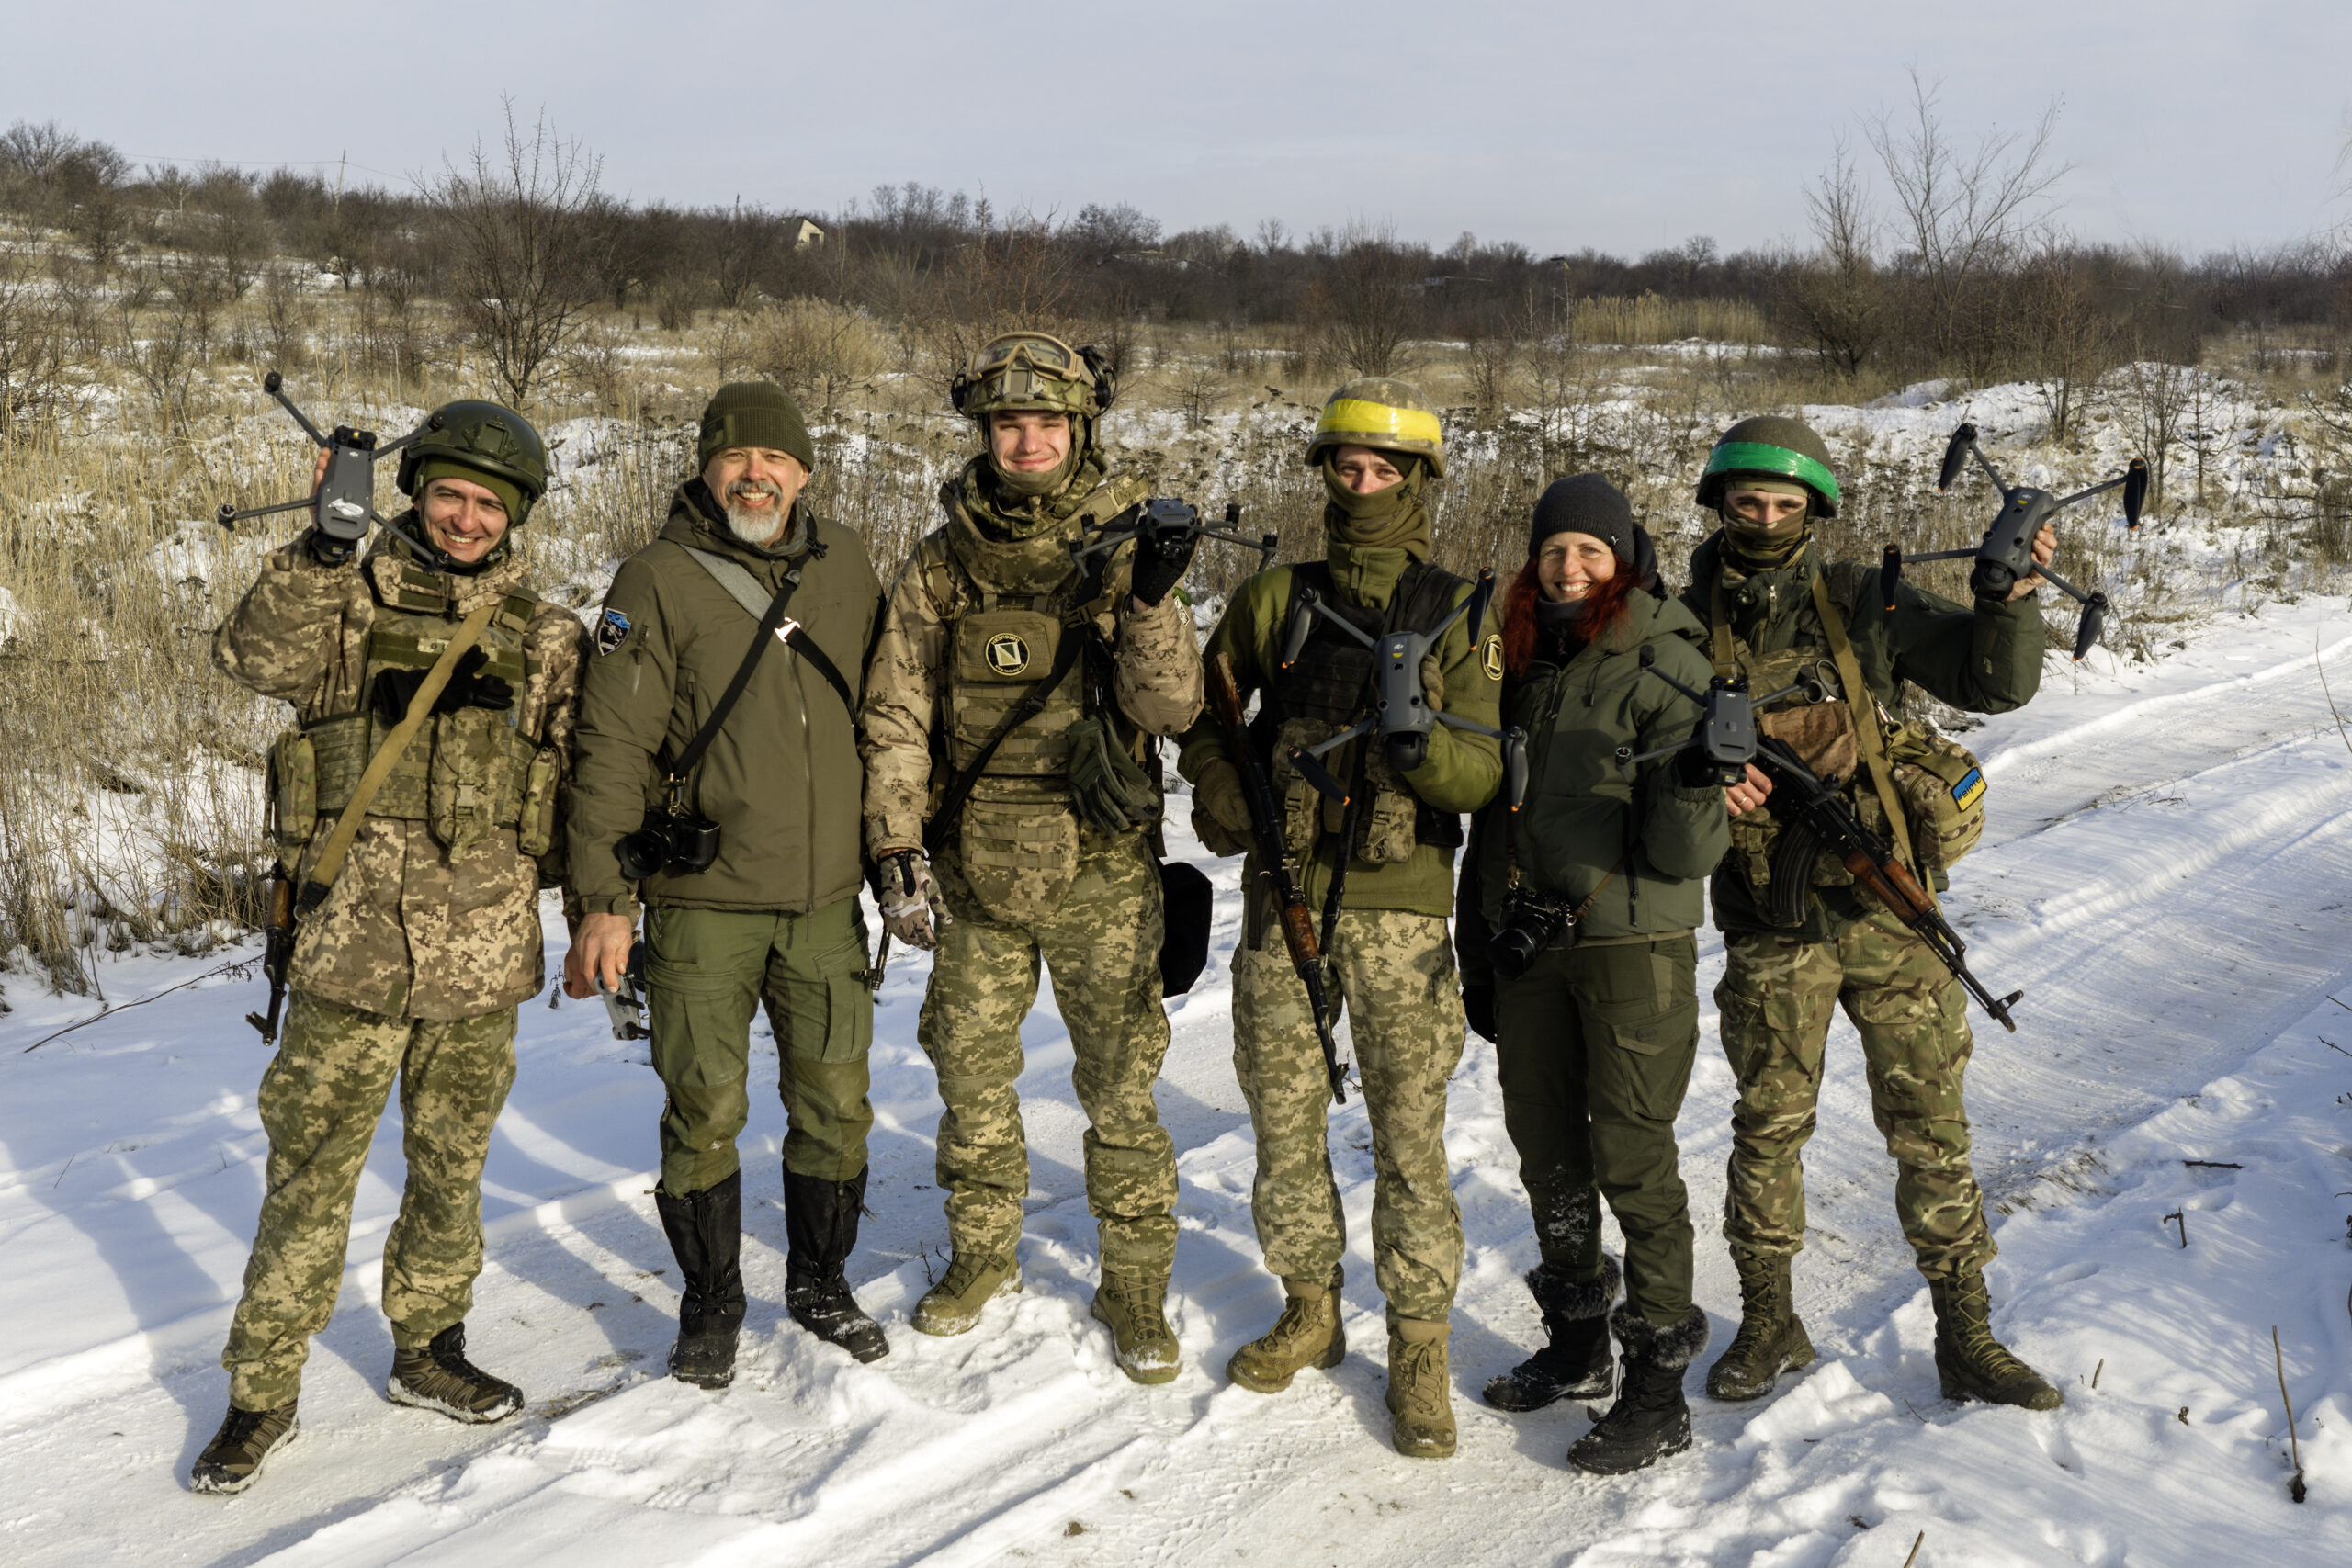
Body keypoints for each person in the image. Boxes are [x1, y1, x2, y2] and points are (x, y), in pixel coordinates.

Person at [195, 400, 585, 1494]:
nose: (465, 519)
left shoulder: (546, 631)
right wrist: (323, 541)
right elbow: (251, 658)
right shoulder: (346, 598)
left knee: (450, 1172)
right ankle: (261, 1394)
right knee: (310, 1179)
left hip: (482, 960)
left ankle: (429, 1350)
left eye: (487, 504)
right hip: (348, 956)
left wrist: (609, 901)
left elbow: (579, 774)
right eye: (449, 495)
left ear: (514, 516)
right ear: (417, 493)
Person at [1683, 415, 2064, 1412]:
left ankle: (1965, 1333)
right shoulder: (1679, 619)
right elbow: (1637, 749)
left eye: (1785, 503)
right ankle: (1769, 1321)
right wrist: (1698, 781)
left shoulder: (1863, 599)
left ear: (1816, 510)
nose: (1765, 518)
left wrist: (2009, 596)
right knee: (1767, 1127)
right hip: (1771, 919)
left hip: (1890, 915)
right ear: (1718, 506)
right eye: (1747, 501)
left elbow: (1993, 680)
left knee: (1929, 1127)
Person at [858, 332, 1204, 1383]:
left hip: (1101, 864)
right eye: (1009, 424)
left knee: (1121, 1086)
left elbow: (1173, 706)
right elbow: (897, 711)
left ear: (1079, 428)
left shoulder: (1131, 539)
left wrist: (1145, 602)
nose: (1027, 441)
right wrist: (896, 844)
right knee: (969, 1074)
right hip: (973, 865)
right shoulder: (941, 560)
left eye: (1047, 423)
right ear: (985, 431)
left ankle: (1136, 1282)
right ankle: (980, 1256)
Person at [1180, 378, 1501, 1459]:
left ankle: (1418, 1346)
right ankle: (1310, 1310)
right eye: (1347, 469)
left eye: (1384, 472)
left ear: (1420, 483)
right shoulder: (1274, 597)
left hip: (1402, 919)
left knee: (1410, 1142)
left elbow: (1485, 773)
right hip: (1285, 909)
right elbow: (1207, 722)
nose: (1362, 487)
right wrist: (1232, 800)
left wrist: (1420, 748)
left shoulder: (1460, 612)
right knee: (1283, 1126)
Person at [565, 383, 887, 1388]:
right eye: (735, 458)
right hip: (702, 903)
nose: (756, 474)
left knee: (835, 1099)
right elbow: (609, 743)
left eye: (775, 460)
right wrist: (604, 901)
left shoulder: (852, 570)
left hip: (827, 898)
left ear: (803, 471)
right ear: (706, 469)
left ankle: (820, 1281)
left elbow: (895, 716)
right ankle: (710, 1300)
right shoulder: (655, 579)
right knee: (702, 1103)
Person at [1455, 474, 1727, 1473]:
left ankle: (1657, 1388)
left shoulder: (1666, 660)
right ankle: (1576, 1346)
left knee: (1632, 1160)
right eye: (1553, 550)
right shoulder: (1520, 658)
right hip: (1527, 944)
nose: (1568, 569)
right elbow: (1491, 822)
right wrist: (1475, 950)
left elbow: (1683, 855)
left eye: (1590, 552)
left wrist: (1694, 778)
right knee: (1545, 1150)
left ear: (1624, 558)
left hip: (1630, 952)